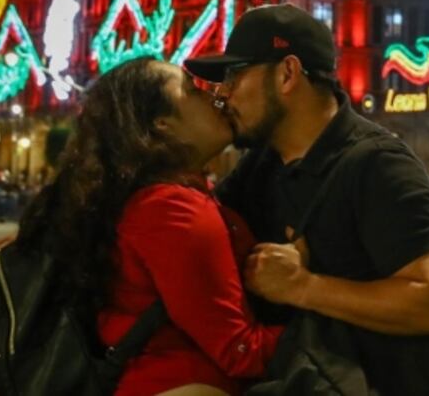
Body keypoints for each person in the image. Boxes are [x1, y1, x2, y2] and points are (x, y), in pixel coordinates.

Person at [185, 4, 429, 391]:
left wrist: (303, 286)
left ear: (287, 74)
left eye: (235, 75)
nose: (224, 93)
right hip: (298, 377)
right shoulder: (261, 164)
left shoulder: (377, 164)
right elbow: (202, 229)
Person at [16, 58, 282, 396]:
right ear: (162, 125)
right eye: (190, 90)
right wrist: (335, 325)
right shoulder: (172, 209)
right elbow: (239, 351)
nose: (212, 95)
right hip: (183, 384)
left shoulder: (153, 197)